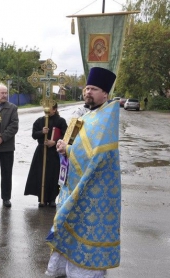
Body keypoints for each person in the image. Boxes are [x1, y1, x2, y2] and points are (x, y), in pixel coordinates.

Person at [45, 67, 121, 278]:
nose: (88, 92)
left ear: (105, 93)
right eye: (87, 88)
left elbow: (93, 155)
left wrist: (68, 149)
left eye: (94, 89)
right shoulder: (87, 115)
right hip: (77, 186)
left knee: (85, 234)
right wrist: (64, 146)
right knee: (71, 230)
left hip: (93, 191)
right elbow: (74, 144)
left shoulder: (106, 117)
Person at [24, 103, 68, 207]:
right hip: (41, 151)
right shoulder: (39, 121)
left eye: (50, 108)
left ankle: (52, 199)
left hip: (54, 152)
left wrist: (55, 142)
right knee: (41, 175)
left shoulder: (60, 121)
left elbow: (66, 135)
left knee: (53, 175)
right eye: (45, 108)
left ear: (55, 109)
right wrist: (41, 132)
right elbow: (34, 135)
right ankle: (42, 198)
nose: (47, 110)